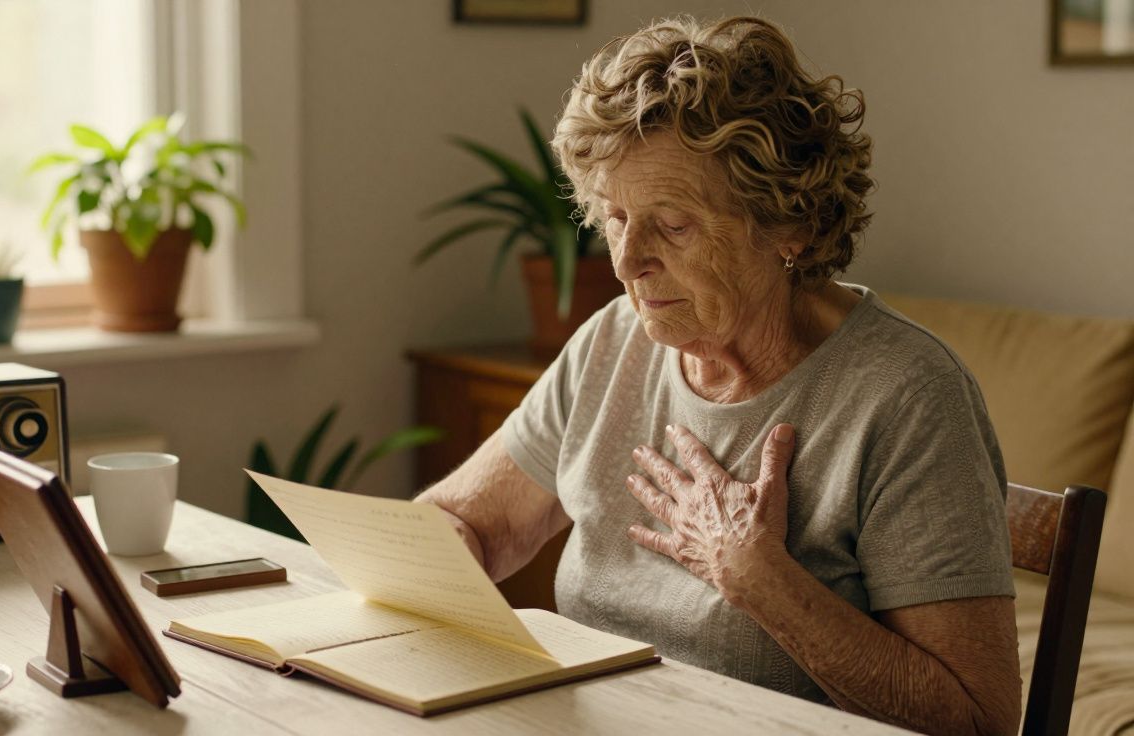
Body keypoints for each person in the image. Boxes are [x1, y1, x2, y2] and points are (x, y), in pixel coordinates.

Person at [416, 16, 1022, 735]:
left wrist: (760, 581)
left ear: (787, 227)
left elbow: (978, 720)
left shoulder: (907, 395)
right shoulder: (614, 343)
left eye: (671, 225)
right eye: (613, 217)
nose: (626, 261)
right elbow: (461, 522)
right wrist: (434, 556)